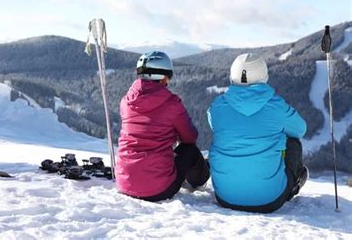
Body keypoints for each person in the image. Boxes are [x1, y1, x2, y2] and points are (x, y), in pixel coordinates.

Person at [208, 53, 308, 213]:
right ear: (264, 76)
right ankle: (291, 186)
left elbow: (214, 126)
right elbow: (300, 130)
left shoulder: (217, 106)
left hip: (224, 197)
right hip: (270, 200)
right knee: (293, 143)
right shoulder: (277, 107)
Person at [116, 51, 210, 201]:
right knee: (190, 151)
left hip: (124, 182)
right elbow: (190, 137)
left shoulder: (125, 102)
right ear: (164, 77)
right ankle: (198, 181)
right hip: (158, 189)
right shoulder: (171, 103)